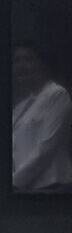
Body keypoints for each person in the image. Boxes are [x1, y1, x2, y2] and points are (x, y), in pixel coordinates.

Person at [11, 42, 72, 191]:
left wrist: (14, 183)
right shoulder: (21, 107)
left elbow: (46, 147)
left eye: (28, 59)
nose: (21, 66)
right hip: (25, 189)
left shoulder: (57, 94)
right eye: (17, 60)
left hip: (52, 188)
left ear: (44, 64)